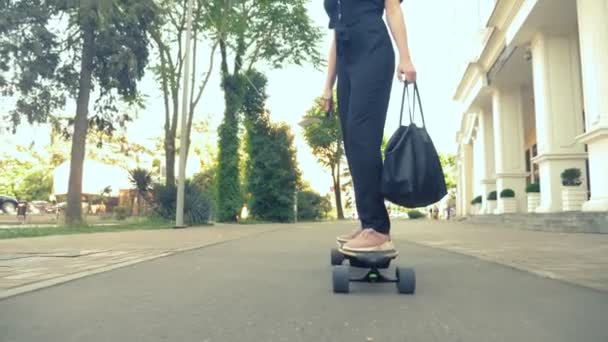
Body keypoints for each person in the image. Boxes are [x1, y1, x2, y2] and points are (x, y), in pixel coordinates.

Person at [323, 0, 416, 252]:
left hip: (372, 50)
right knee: (352, 141)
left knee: (364, 137)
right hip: (346, 59)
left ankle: (377, 228)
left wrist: (405, 57)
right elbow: (336, 36)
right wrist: (328, 87)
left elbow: (393, 8)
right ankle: (367, 222)